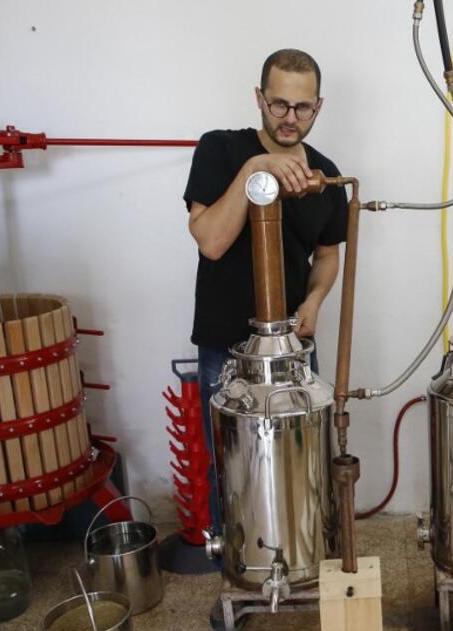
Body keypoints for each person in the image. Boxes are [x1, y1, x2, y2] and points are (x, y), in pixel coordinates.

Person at [182, 48, 347, 567]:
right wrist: (257, 168)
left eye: (302, 107)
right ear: (259, 98)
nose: (289, 118)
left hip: (293, 348)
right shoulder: (220, 150)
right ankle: (237, 574)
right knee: (231, 468)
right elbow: (210, 240)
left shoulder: (326, 175)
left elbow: (327, 256)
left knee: (301, 463)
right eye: (278, 105)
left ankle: (301, 563)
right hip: (227, 346)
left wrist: (315, 300)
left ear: (318, 106)